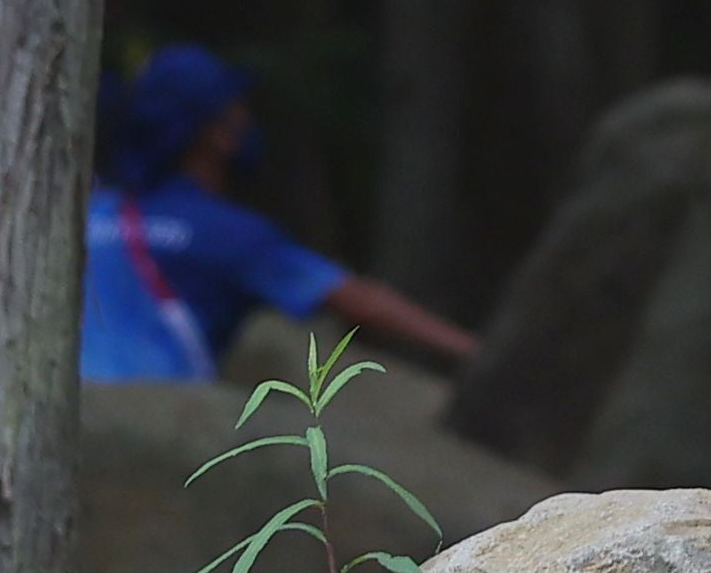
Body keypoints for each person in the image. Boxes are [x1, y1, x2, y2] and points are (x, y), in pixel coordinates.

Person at [81, 44, 479, 382]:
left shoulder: (89, 217)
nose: (247, 121)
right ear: (213, 133)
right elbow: (358, 301)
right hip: (154, 429)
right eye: (236, 109)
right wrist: (472, 351)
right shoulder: (231, 236)